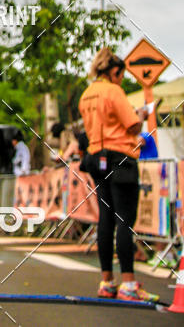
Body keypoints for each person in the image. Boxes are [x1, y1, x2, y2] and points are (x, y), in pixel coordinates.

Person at [79, 48, 159, 303]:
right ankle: (128, 284)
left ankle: (106, 282)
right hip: (120, 157)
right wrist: (142, 114)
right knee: (125, 219)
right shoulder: (113, 91)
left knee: (106, 219)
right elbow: (132, 125)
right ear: (114, 72)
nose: (121, 80)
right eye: (121, 75)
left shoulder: (86, 94)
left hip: (95, 157)